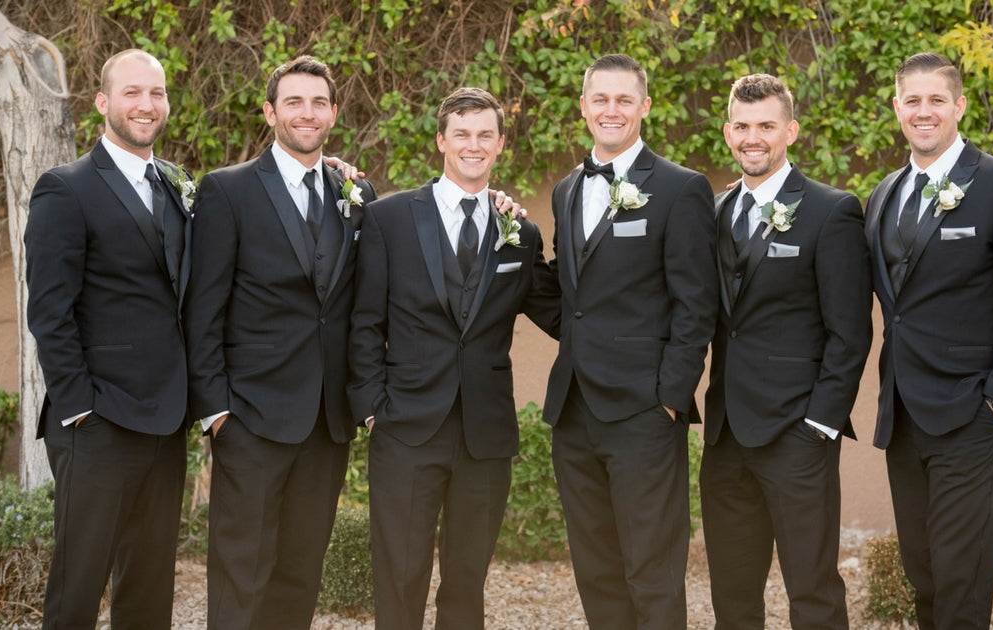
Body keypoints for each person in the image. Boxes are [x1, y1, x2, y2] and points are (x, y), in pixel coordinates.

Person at [349, 86, 560, 629]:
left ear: (500, 144)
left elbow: (563, 312)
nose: (473, 144)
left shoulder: (521, 233)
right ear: (441, 140)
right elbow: (365, 320)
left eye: (484, 135)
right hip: (405, 427)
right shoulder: (389, 219)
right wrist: (372, 405)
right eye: (462, 134)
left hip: (484, 434)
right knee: (399, 574)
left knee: (468, 579)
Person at [864, 52, 993, 630]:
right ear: (897, 107)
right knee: (923, 576)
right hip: (903, 416)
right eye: (913, 100)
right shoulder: (884, 194)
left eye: (937, 100)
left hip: (973, 414)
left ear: (960, 106)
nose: (924, 112)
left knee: (961, 585)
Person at [183, 55, 379, 630]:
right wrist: (216, 412)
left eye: (319, 102)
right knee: (242, 573)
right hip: (250, 417)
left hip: (326, 422)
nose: (307, 112)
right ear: (271, 112)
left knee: (300, 573)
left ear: (334, 113)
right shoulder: (227, 190)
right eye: (293, 101)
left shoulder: (356, 190)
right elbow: (203, 309)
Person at [542, 53, 718, 629]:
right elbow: (576, 298)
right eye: (600, 99)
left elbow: (696, 303)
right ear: (584, 107)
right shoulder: (568, 190)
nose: (611, 110)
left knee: (652, 566)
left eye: (624, 100)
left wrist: (670, 395)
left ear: (644, 107)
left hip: (644, 410)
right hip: (574, 410)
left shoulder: (680, 188)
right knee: (595, 566)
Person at [24, 49, 191, 630]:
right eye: (132, 93)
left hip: (165, 421)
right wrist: (78, 410)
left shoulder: (175, 186)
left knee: (148, 589)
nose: (146, 105)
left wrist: (334, 173)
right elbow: (49, 311)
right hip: (97, 423)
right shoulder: (64, 189)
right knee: (78, 589)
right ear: (103, 103)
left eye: (157, 93)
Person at [700, 73, 872, 629]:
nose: (754, 137)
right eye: (744, 126)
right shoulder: (715, 211)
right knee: (732, 597)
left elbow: (850, 332)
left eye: (767, 126)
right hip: (725, 439)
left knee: (813, 593)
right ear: (729, 133)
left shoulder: (831, 210)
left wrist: (819, 425)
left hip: (797, 436)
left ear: (790, 131)